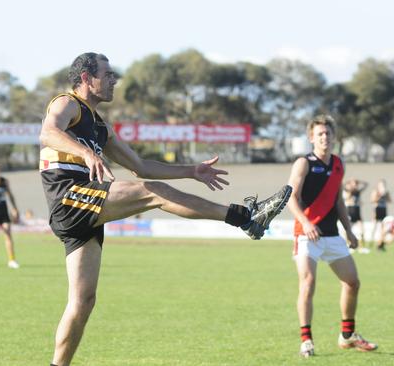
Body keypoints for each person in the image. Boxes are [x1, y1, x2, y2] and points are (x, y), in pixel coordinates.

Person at [40, 52, 292, 366]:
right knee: (153, 193)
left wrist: (191, 171)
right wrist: (87, 155)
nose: (114, 80)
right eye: (107, 74)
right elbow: (48, 132)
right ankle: (244, 218)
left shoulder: (100, 126)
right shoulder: (67, 103)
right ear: (86, 78)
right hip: (69, 196)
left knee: (83, 302)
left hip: (84, 211)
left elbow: (140, 165)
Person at [286, 114, 377, 358]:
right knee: (308, 284)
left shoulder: (338, 164)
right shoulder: (303, 163)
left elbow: (338, 200)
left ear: (334, 137)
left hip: (331, 234)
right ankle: (306, 340)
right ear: (311, 138)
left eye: (328, 133)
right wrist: (305, 223)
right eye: (320, 134)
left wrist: (348, 230)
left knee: (352, 282)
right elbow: (290, 198)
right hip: (306, 235)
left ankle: (347, 336)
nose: (325, 137)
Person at [343, 178, 368, 252]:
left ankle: (361, 247)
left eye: (356, 184)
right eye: (353, 184)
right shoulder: (347, 191)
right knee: (348, 229)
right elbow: (344, 187)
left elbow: (366, 184)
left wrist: (359, 181)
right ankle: (348, 245)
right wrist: (349, 183)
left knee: (361, 229)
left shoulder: (357, 192)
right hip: (350, 211)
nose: (355, 185)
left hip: (357, 211)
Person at [370, 179, 391, 251]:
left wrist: (385, 195)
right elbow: (372, 200)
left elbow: (390, 201)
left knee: (383, 228)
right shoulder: (376, 191)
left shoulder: (386, 192)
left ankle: (380, 244)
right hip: (377, 209)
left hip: (384, 210)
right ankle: (370, 242)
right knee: (374, 227)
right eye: (381, 185)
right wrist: (379, 195)